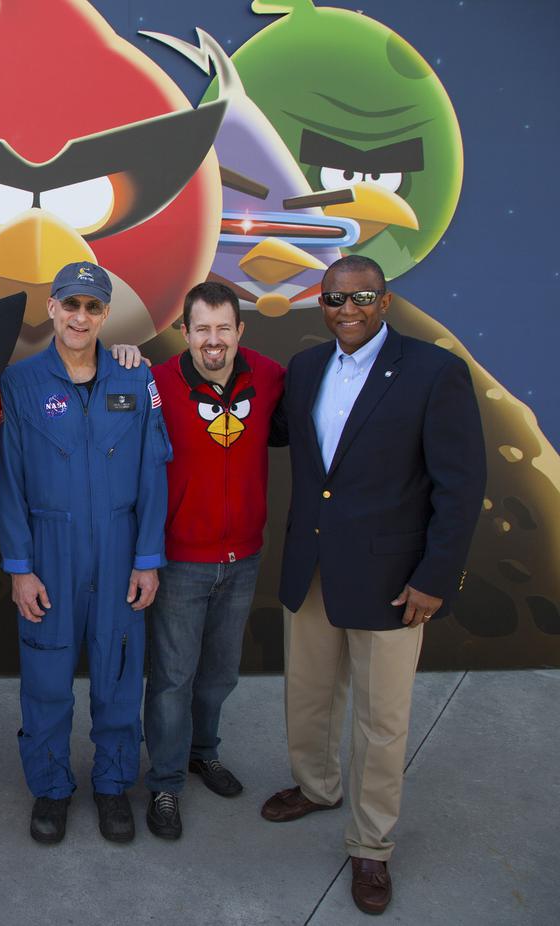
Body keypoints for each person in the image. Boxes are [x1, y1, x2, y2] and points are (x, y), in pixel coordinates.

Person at [261, 255, 484, 914]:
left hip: (394, 581)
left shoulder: (434, 373)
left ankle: (371, 845)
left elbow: (461, 485)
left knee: (381, 723)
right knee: (307, 700)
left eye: (361, 297)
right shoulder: (305, 370)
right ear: (321, 305)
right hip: (314, 569)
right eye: (334, 299)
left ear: (385, 301)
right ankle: (317, 786)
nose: (347, 310)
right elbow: (259, 429)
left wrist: (434, 578)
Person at [0, 260, 172, 845]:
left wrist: (148, 558)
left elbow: (152, 472)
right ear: (52, 309)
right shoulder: (21, 384)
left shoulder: (134, 379)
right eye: (70, 304)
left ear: (104, 315)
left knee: (120, 675)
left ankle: (113, 784)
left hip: (121, 553)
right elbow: (11, 483)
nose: (80, 317)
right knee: (46, 678)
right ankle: (50, 788)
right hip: (51, 553)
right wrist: (20, 568)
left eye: (93, 307)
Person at [143, 281, 285, 839]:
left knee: (219, 673)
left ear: (240, 331)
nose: (213, 340)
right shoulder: (157, 384)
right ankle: (165, 782)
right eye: (202, 328)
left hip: (244, 556)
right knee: (173, 678)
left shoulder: (271, 378)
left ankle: (204, 752)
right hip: (182, 560)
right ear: (185, 332)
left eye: (224, 328)